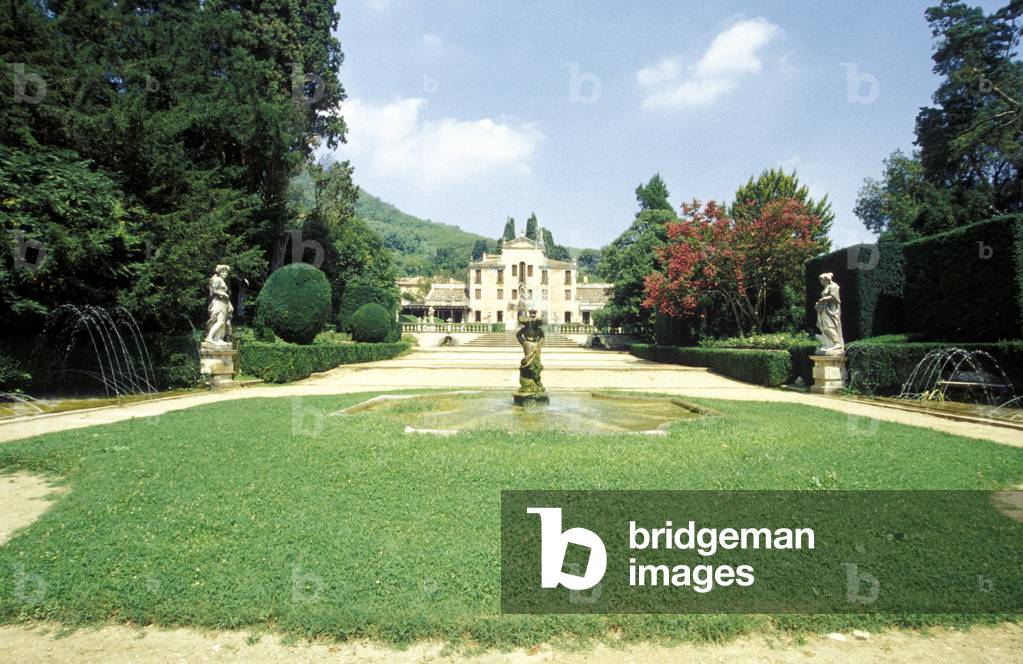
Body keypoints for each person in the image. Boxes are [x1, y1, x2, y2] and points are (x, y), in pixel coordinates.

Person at [815, 272, 844, 355]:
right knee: (824, 328)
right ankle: (828, 344)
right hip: (824, 310)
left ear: (826, 280)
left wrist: (824, 299)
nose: (821, 282)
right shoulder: (826, 287)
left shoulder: (834, 286)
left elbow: (835, 298)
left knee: (829, 327)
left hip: (831, 311)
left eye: (822, 280)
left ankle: (837, 343)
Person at [204, 264, 233, 345]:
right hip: (218, 302)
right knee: (220, 321)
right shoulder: (217, 279)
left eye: (226, 272)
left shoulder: (222, 280)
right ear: (219, 272)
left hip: (223, 302)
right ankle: (209, 337)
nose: (225, 274)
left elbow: (223, 293)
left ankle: (218, 338)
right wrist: (224, 294)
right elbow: (213, 290)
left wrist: (229, 304)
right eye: (223, 272)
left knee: (223, 322)